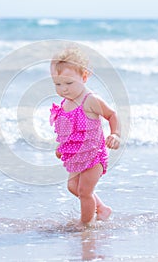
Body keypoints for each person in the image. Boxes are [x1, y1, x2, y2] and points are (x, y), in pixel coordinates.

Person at [49, 47, 120, 227]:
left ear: (84, 77)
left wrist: (115, 134)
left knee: (84, 191)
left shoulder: (90, 100)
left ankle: (86, 225)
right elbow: (70, 132)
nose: (63, 89)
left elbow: (112, 115)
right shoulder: (66, 103)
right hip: (77, 156)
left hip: (93, 155)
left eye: (69, 83)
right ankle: (102, 209)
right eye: (58, 84)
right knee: (73, 187)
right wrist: (62, 148)